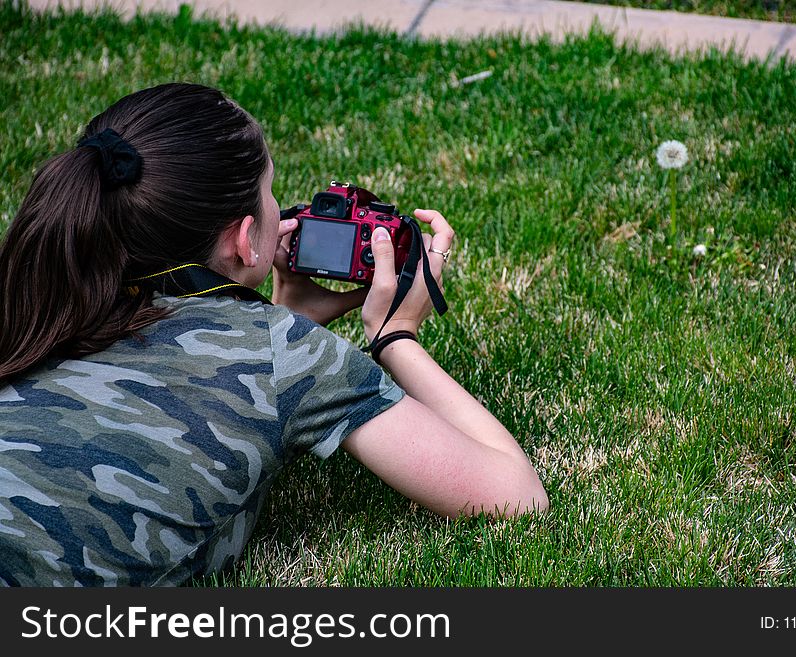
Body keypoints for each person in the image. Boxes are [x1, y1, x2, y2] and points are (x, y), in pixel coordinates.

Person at [0, 83, 549, 587]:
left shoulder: (44, 296)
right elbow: (514, 499)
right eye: (269, 191)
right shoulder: (283, 355)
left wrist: (285, 318)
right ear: (244, 238)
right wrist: (395, 334)